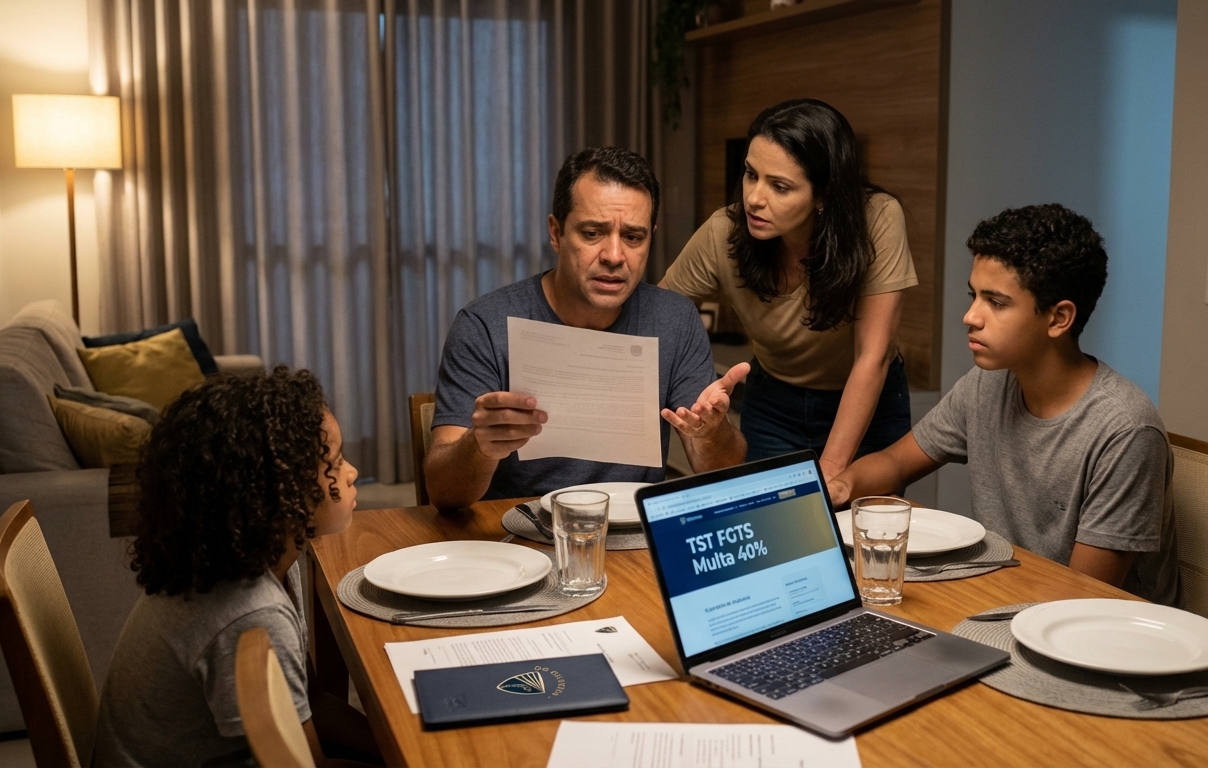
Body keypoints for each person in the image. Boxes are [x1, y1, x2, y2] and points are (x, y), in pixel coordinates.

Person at [829, 204, 1180, 605]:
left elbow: (1081, 596)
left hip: (1095, 638)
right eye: (973, 295)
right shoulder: (987, 384)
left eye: (995, 302)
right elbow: (895, 463)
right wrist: (843, 485)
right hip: (1005, 600)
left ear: (1058, 318)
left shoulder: (1124, 430)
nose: (970, 316)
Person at [425, 147, 748, 508]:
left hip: (634, 535)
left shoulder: (674, 319)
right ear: (556, 232)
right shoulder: (485, 323)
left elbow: (721, 471)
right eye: (593, 233)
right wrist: (480, 446)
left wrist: (712, 433)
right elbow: (442, 493)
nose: (613, 255)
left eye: (633, 237)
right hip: (519, 530)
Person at [92, 367, 372, 767]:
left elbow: (310, 703)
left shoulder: (264, 554)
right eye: (336, 460)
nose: (351, 472)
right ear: (281, 491)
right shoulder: (252, 613)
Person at [660, 99, 918, 483]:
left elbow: (873, 356)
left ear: (824, 195)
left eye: (780, 186)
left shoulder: (877, 219)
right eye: (751, 174)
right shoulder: (724, 231)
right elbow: (658, 319)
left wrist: (829, 472)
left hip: (868, 402)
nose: (754, 198)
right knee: (773, 531)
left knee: (862, 535)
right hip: (774, 403)